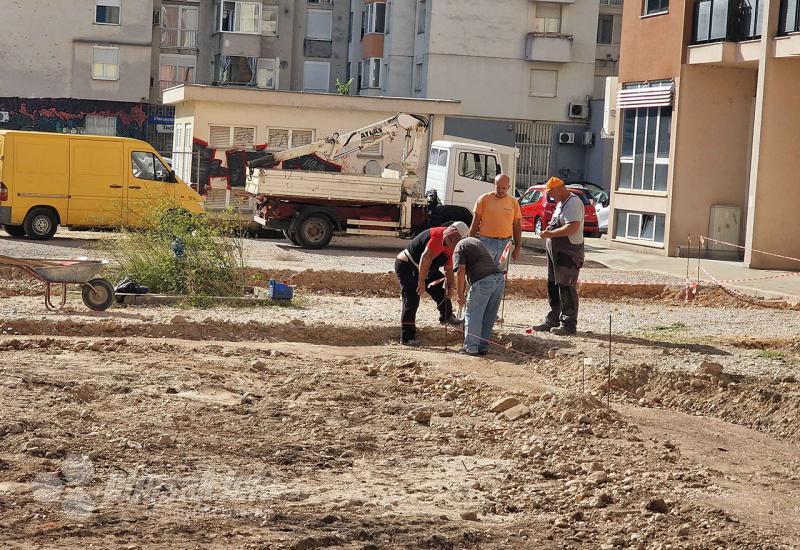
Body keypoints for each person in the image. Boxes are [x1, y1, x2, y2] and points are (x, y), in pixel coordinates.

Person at [395, 222, 469, 346]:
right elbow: (426, 257)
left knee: (441, 289)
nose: (454, 242)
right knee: (412, 298)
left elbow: (449, 268)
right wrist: (421, 281)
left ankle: (447, 316)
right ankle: (407, 337)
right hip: (408, 265)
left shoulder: (454, 246)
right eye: (454, 239)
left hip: (427, 269)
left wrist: (451, 287)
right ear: (452, 233)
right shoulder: (437, 236)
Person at [530, 177, 585, 336]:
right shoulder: (562, 202)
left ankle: (568, 324)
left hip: (568, 252)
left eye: (551, 192)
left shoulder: (573, 203)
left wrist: (551, 233)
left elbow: (572, 226)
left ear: (560, 188)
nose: (551, 196)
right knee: (554, 285)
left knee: (566, 287)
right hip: (557, 252)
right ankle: (553, 319)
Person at [454, 237, 505, 356]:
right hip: (498, 279)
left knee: (473, 314)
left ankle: (470, 347)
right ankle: (482, 347)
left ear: (451, 237)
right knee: (489, 315)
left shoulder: (459, 246)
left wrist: (460, 295)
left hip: (483, 281)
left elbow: (461, 270)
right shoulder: (475, 242)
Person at [469, 174, 523, 266]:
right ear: (494, 184)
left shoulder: (513, 202)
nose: (501, 191)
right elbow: (475, 223)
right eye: (498, 187)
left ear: (508, 187)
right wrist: (470, 243)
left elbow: (517, 226)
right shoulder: (483, 199)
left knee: (501, 274)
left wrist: (517, 247)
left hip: (505, 243)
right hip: (486, 242)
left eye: (504, 188)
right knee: (484, 271)